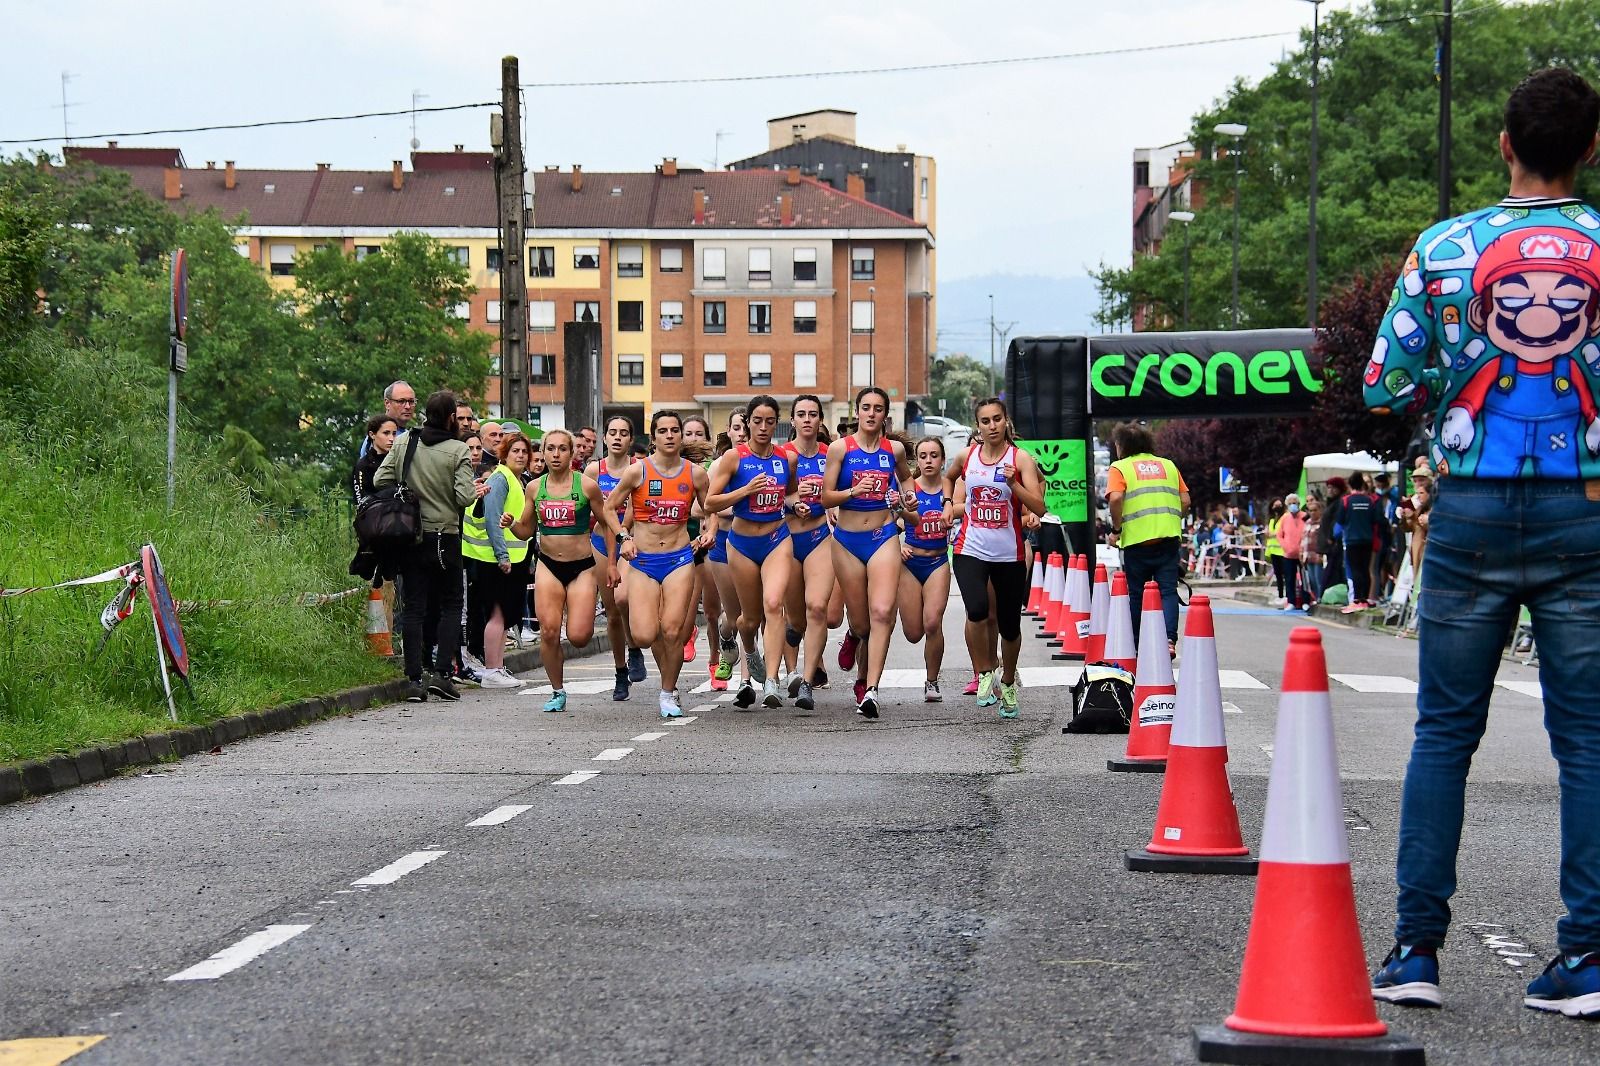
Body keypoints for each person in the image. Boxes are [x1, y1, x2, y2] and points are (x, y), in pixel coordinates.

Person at [1364, 67, 1600, 1016]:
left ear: (1504, 144)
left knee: (1444, 732)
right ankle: (1584, 955)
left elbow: (1384, 384)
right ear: (1589, 149)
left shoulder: (1443, 248)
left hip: (1465, 507)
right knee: (1586, 738)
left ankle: (1417, 947)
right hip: (1586, 509)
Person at [373, 390, 486, 702]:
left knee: (415, 607)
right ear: (451, 417)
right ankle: (441, 673)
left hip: (411, 535)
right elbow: (463, 497)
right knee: (451, 604)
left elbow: (381, 479)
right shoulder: (457, 450)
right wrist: (474, 490)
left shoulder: (405, 441)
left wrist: (409, 494)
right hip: (445, 535)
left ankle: (412, 679)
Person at [605, 411, 712, 718]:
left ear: (680, 436)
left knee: (673, 630)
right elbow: (609, 507)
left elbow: (711, 508)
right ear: (653, 438)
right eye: (662, 430)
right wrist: (624, 537)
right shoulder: (637, 471)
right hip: (644, 561)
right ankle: (660, 675)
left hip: (679, 558)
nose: (669, 435)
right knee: (643, 634)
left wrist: (710, 532)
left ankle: (668, 692)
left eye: (674, 430)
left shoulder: (695, 474)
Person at [945, 398, 1046, 717]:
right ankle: (986, 670)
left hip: (1008, 552)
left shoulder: (1021, 459)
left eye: (997, 419)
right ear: (978, 426)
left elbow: (1040, 507)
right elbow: (949, 477)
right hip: (969, 548)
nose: (991, 426)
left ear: (1006, 422)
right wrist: (948, 502)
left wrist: (1013, 483)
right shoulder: (967, 456)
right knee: (975, 610)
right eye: (985, 421)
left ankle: (1008, 679)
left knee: (1009, 626)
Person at [821, 388, 916, 719]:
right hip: (847, 540)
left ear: (885, 416)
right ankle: (853, 635)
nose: (871, 413)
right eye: (866, 408)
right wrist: (852, 491)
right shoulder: (840, 449)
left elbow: (907, 480)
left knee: (882, 612)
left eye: (878, 409)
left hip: (883, 536)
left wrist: (908, 498)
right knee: (862, 622)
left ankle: (871, 688)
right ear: (857, 412)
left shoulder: (895, 450)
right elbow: (825, 498)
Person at [507, 430, 615, 712]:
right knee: (549, 632)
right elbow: (525, 531)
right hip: (548, 565)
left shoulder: (587, 486)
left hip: (582, 568)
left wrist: (612, 561)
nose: (556, 455)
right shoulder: (534, 488)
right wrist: (510, 524)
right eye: (550, 449)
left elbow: (607, 523)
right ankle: (557, 690)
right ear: (543, 452)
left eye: (562, 449)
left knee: (579, 637)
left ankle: (575, 616)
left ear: (571, 453)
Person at [707, 396, 797, 709]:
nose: (762, 427)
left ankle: (771, 680)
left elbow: (790, 491)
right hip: (742, 543)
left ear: (777, 424)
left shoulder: (786, 458)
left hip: (776, 538)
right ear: (747, 422)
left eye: (769, 421)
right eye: (756, 421)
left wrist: (794, 503)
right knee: (748, 618)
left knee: (774, 605)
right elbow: (710, 502)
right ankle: (748, 649)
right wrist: (745, 491)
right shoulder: (734, 458)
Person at [1105, 423, 1190, 654]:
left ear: (1122, 445)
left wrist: (1116, 529)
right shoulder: (1168, 466)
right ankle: (1169, 641)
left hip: (1137, 542)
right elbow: (1185, 501)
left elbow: (1115, 499)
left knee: (1136, 594)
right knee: (1168, 592)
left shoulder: (1120, 467)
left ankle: (1136, 644)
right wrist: (1169, 518)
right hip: (1168, 540)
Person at [461, 431, 534, 689]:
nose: (521, 456)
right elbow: (493, 518)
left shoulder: (514, 479)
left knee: (504, 614)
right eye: (515, 451)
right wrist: (502, 555)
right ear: (504, 454)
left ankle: (497, 666)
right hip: (494, 559)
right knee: (498, 614)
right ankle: (492, 668)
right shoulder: (501, 478)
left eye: (525, 452)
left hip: (508, 557)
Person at [779, 396, 834, 710]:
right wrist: (791, 502)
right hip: (786, 538)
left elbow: (842, 487)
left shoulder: (831, 453)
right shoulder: (783, 455)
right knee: (797, 620)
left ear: (821, 419)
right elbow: (775, 494)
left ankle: (808, 681)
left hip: (818, 536)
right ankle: (791, 670)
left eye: (813, 414)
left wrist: (836, 505)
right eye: (801, 414)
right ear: (793, 420)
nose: (808, 420)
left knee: (817, 609)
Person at [587, 416, 647, 700]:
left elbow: (640, 506)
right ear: (604, 438)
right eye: (612, 433)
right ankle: (621, 671)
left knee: (624, 600)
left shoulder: (639, 469)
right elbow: (580, 503)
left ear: (631, 440)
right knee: (611, 611)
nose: (617, 438)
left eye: (624, 433)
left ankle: (635, 646)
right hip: (600, 541)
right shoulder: (593, 470)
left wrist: (624, 532)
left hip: (630, 540)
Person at [899, 436, 953, 702]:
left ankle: (932, 681)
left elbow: (970, 510)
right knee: (912, 633)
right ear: (917, 460)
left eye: (934, 455)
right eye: (923, 456)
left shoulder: (949, 489)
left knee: (933, 622)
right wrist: (897, 545)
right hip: (909, 564)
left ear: (943, 459)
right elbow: (888, 520)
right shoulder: (910, 488)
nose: (929, 460)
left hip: (937, 562)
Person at [707, 410, 750, 691]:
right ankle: (725, 639)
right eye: (737, 428)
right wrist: (712, 528)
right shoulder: (719, 465)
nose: (743, 433)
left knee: (751, 613)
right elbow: (706, 504)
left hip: (754, 541)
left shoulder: (765, 462)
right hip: (723, 540)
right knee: (732, 618)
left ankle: (747, 680)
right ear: (729, 431)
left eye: (746, 427)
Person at [680, 416, 722, 681]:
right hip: (680, 546)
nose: (693, 439)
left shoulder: (713, 468)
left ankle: (716, 658)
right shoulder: (672, 468)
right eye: (688, 434)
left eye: (699, 434)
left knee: (712, 611)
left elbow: (710, 506)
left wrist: (708, 528)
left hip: (706, 543)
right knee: (684, 608)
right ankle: (689, 634)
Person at [1337, 473, 1379, 612]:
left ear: (1350, 485)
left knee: (1355, 569)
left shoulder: (1345, 501)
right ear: (1362, 484)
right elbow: (1375, 519)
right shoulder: (1370, 501)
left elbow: (1340, 520)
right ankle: (1365, 598)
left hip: (1351, 539)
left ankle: (1357, 599)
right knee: (1365, 569)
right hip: (1367, 539)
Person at [359, 381, 416, 458]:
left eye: (411, 401)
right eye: (401, 401)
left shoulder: (407, 434)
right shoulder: (378, 437)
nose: (408, 406)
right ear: (387, 403)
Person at [352, 415, 398, 506]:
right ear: (372, 434)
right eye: (386, 433)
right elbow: (361, 500)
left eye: (394, 433)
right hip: (374, 516)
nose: (391, 439)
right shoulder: (363, 465)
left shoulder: (398, 460)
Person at [1276, 493, 1307, 611]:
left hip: (1302, 554)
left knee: (1305, 578)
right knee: (1289, 578)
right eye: (1290, 503)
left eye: (1295, 503)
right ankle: (1291, 601)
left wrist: (1303, 548)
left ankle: (1306, 601)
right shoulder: (1284, 518)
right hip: (1288, 554)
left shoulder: (1305, 516)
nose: (1293, 505)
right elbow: (1279, 535)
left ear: (1299, 504)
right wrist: (1286, 547)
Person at [1299, 497, 1325, 607]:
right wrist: (1301, 553)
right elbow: (1303, 540)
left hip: (1318, 556)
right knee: (1312, 581)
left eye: (1315, 510)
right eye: (1311, 510)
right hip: (1307, 556)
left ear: (1320, 511)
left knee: (1319, 579)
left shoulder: (1322, 523)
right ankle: (1315, 598)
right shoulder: (1307, 523)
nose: (1313, 513)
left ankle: (1320, 598)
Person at [1265, 498, 1287, 604]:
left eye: (1279, 505)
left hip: (1283, 550)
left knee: (1286, 574)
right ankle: (1280, 595)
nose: (1277, 507)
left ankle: (1288, 596)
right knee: (1278, 574)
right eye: (1275, 505)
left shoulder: (1285, 518)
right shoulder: (1271, 519)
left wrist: (1273, 534)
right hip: (1273, 550)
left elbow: (1283, 532)